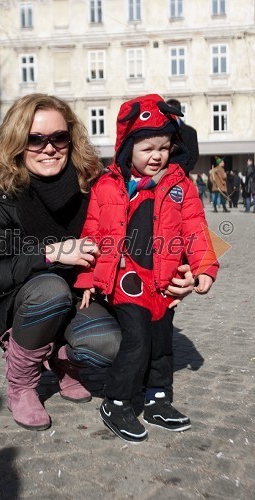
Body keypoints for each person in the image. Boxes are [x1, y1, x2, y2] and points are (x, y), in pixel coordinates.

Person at [0, 93, 195, 433]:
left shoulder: (97, 182)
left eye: (58, 137)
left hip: (80, 297)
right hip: (22, 302)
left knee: (119, 344)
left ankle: (63, 361)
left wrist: (188, 268)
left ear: (70, 139)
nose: (49, 148)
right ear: (17, 142)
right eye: (35, 139)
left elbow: (159, 217)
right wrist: (51, 253)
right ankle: (22, 382)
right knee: (51, 288)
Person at [75, 94, 219, 443]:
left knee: (162, 342)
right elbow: (92, 233)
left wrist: (204, 268)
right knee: (137, 339)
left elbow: (196, 230)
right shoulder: (108, 185)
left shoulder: (180, 186)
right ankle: (117, 400)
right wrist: (88, 279)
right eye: (148, 148)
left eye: (164, 147)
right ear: (128, 150)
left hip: (163, 280)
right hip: (126, 280)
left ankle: (157, 399)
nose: (157, 156)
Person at [165, 98, 199, 176]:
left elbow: (194, 156)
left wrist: (183, 170)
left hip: (182, 175)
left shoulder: (190, 132)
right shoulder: (162, 131)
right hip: (164, 175)